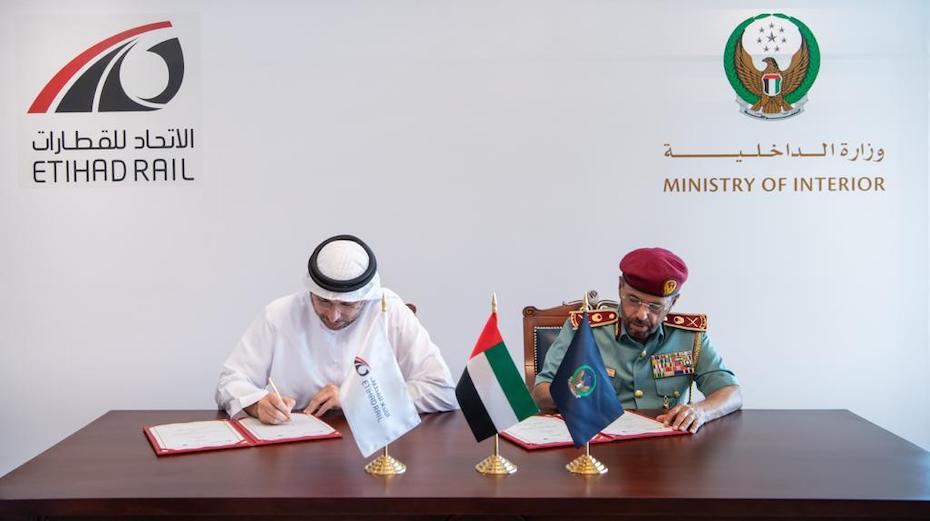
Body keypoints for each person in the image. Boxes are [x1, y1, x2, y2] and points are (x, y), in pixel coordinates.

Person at [216, 234, 457, 424]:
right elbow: (230, 381)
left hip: (374, 445)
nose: (333, 315)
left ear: (367, 298)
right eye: (323, 301)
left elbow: (441, 390)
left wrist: (355, 398)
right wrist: (257, 404)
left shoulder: (389, 311)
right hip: (296, 445)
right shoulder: (279, 314)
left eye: (347, 304)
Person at [531, 247, 742, 433]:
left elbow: (731, 392)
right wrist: (581, 390)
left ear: (673, 302)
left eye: (655, 306)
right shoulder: (584, 329)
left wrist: (700, 411)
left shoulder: (689, 336)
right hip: (598, 442)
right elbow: (541, 392)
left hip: (665, 447)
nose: (642, 314)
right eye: (633, 300)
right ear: (620, 287)